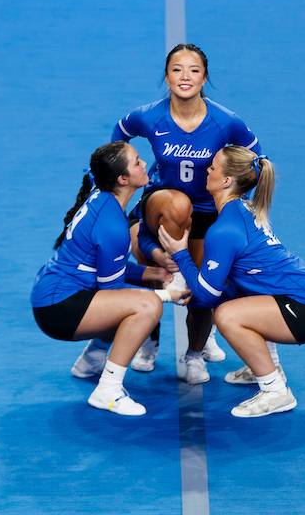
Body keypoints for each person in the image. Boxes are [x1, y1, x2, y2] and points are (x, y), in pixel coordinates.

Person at [110, 43, 263, 382]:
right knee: (159, 256)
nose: (185, 76)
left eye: (194, 70)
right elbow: (118, 138)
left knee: (203, 289)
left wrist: (235, 201)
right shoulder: (149, 116)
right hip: (161, 207)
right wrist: (129, 174)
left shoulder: (226, 121)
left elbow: (255, 160)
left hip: (207, 213)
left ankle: (194, 354)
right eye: (177, 69)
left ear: (204, 77)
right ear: (166, 77)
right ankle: (148, 341)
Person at [157, 146, 305, 418]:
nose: (207, 170)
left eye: (213, 168)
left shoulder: (223, 230)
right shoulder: (244, 209)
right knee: (233, 296)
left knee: (227, 315)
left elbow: (206, 297)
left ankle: (275, 391)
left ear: (227, 181)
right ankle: (266, 367)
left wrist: (181, 254)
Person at [33, 142, 190, 416]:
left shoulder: (102, 199)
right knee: (146, 308)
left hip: (52, 295)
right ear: (123, 179)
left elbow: (105, 267)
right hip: (58, 309)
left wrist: (154, 272)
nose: (144, 165)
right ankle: (108, 389)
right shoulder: (114, 227)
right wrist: (167, 295)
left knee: (138, 300)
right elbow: (114, 296)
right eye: (137, 162)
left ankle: (91, 361)